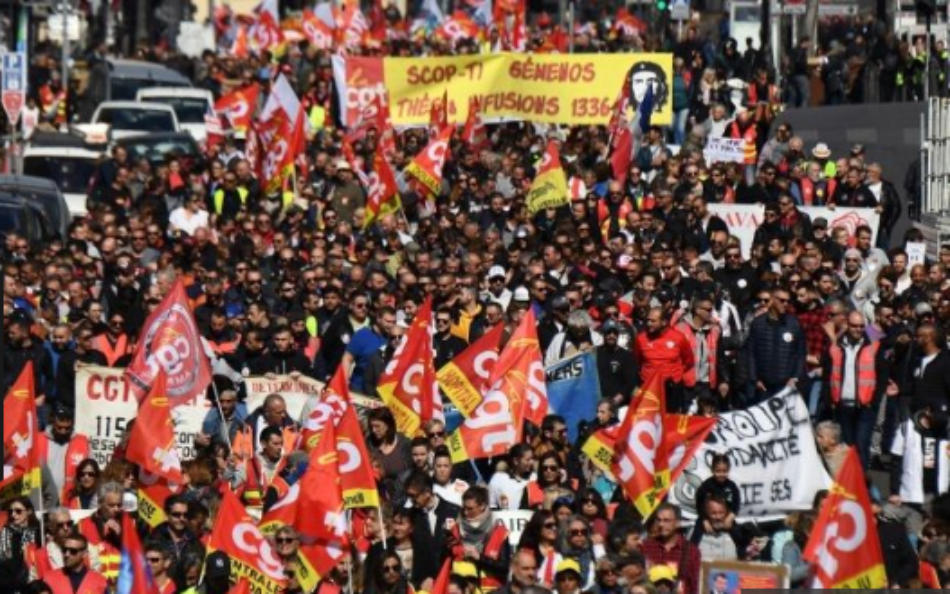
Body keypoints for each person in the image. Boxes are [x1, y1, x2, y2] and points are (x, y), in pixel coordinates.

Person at [822, 311, 892, 468]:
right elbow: (827, 375)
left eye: (862, 326)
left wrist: (874, 401)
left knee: (861, 445)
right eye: (854, 325)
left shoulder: (874, 345)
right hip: (842, 404)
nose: (858, 329)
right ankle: (848, 484)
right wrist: (830, 400)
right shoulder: (836, 345)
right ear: (847, 324)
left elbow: (882, 375)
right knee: (846, 447)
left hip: (865, 406)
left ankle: (861, 485)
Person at [746, 286, 805, 403]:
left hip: (786, 385)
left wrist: (795, 377)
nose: (785, 304)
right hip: (764, 385)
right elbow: (751, 353)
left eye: (788, 301)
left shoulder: (794, 324)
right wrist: (755, 379)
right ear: (772, 299)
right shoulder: (758, 323)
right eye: (782, 300)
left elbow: (800, 354)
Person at [446, 487, 511, 592]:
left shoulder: (500, 532)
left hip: (491, 591)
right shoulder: (455, 529)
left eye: (470, 508)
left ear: (482, 506)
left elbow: (504, 568)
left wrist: (479, 558)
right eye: (464, 508)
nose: (466, 513)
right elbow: (446, 562)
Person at [634, 307, 694, 413]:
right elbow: (637, 360)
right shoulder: (641, 339)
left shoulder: (678, 337)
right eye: (647, 320)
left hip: (672, 387)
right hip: (649, 387)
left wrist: (677, 373)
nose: (649, 324)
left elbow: (689, 360)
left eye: (653, 321)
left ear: (664, 322)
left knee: (671, 418)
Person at [641, 504, 701, 594]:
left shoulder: (691, 551)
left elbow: (695, 585)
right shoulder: (646, 547)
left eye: (666, 521)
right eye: (659, 520)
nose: (661, 524)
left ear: (677, 523)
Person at [42, 534, 107, 594]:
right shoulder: (48, 579)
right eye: (64, 550)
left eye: (73, 551)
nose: (67, 554)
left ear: (85, 554)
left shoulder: (100, 582)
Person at [0, 496, 41, 589]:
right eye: (11, 511)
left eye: (18, 511)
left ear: (29, 511)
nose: (13, 515)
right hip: (6, 586)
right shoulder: (5, 532)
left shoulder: (39, 532)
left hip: (31, 585)